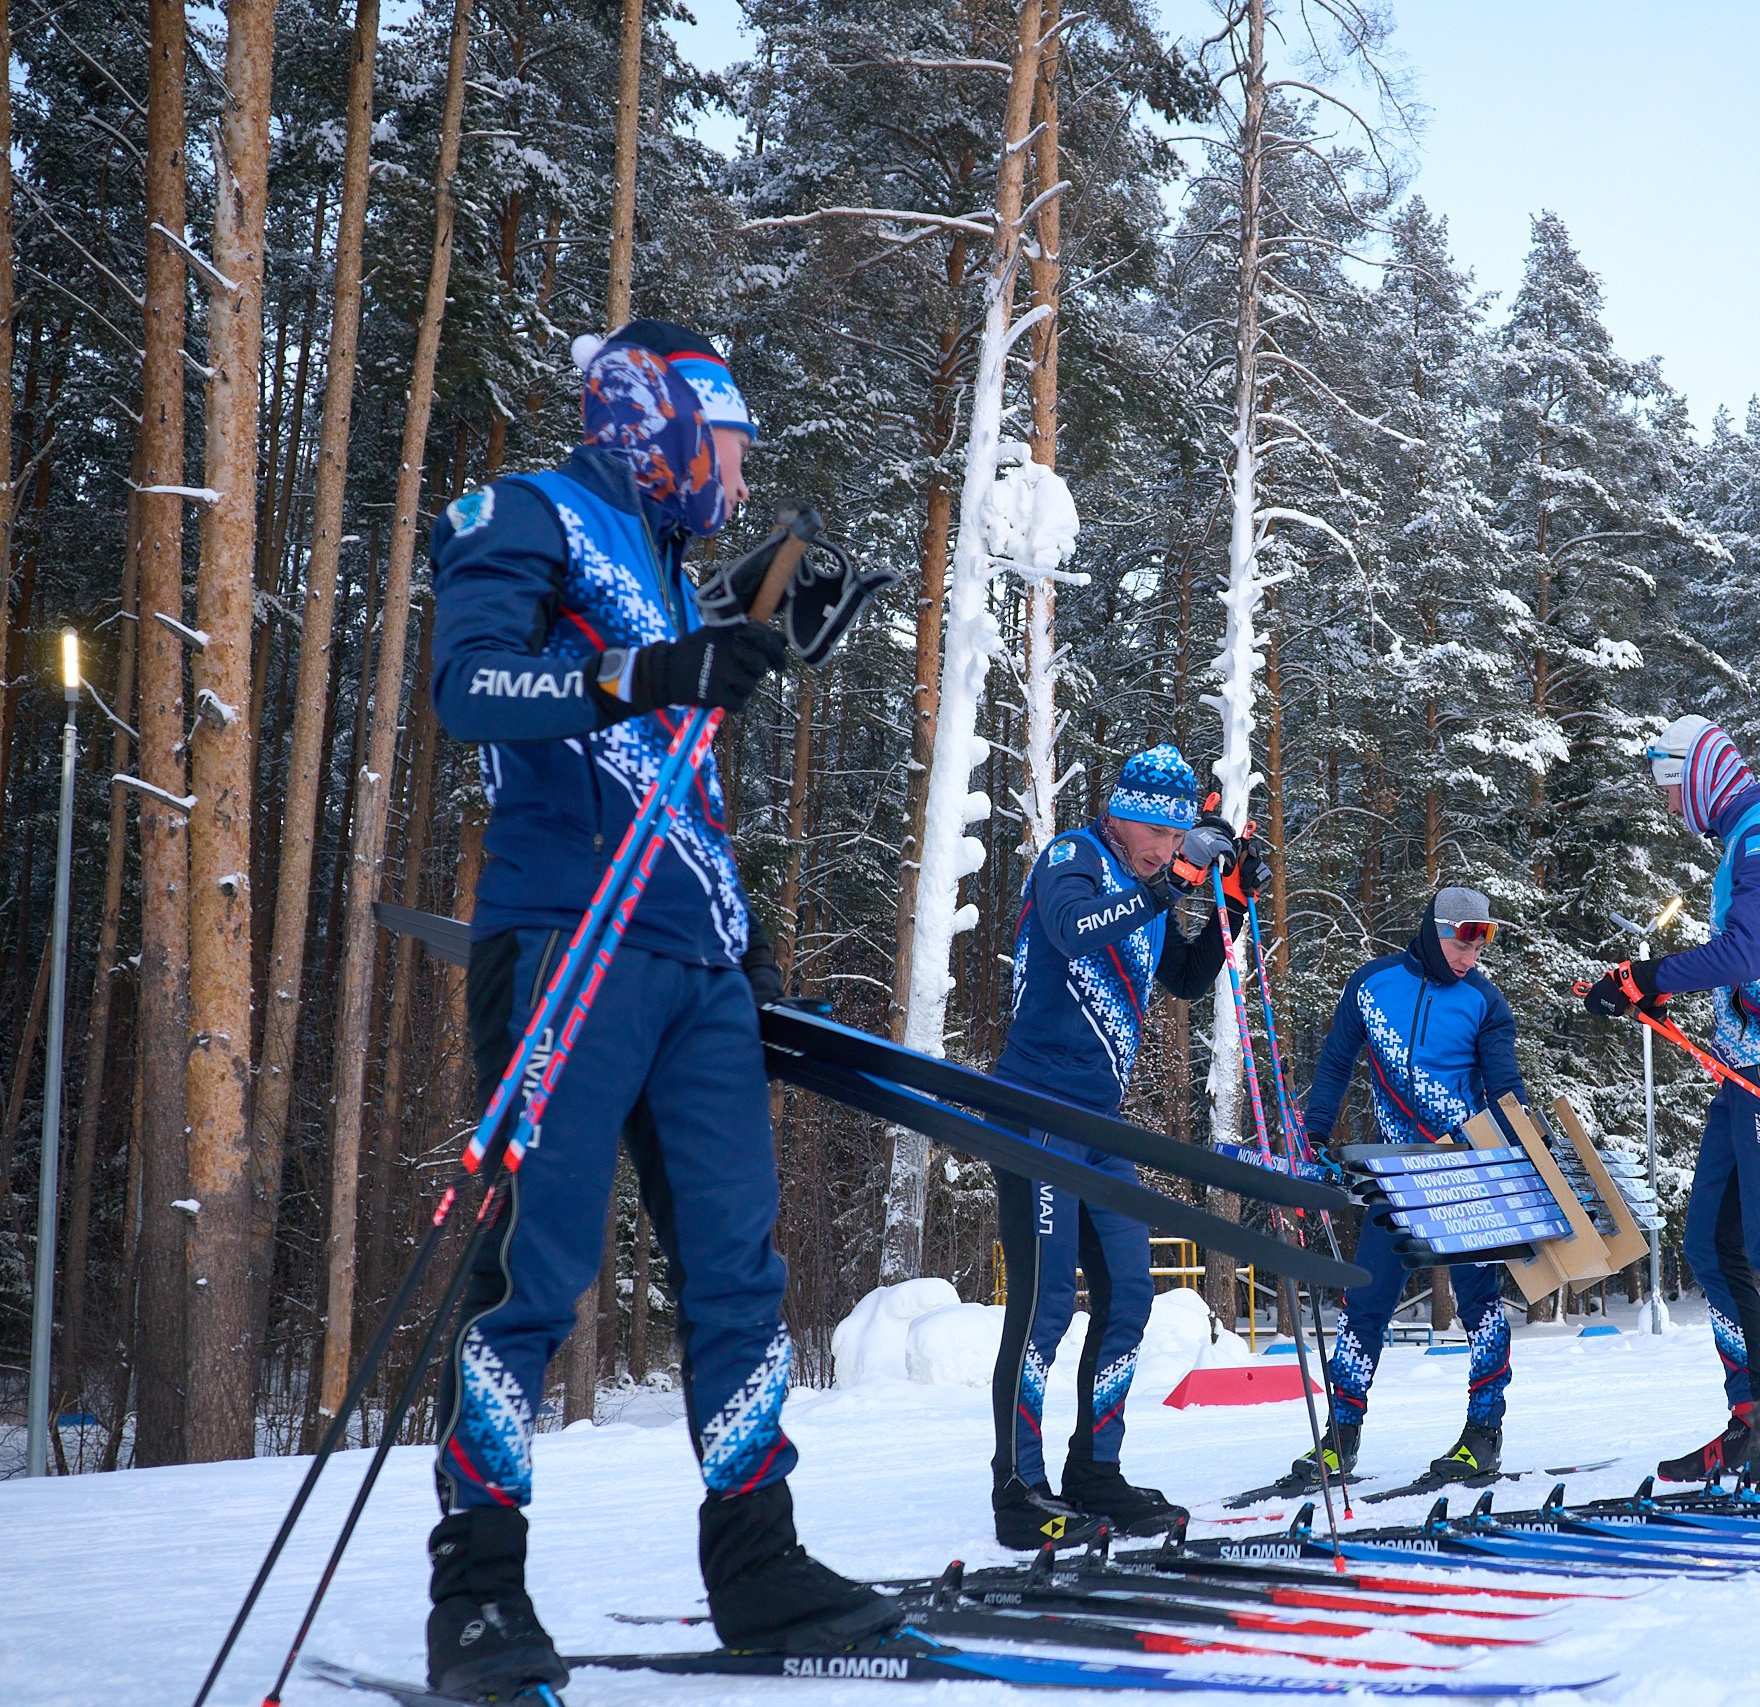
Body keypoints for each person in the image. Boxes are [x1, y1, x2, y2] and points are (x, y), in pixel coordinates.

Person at [422, 321, 899, 1700]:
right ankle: (479, 1593)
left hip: (693, 963)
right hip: (569, 934)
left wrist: (743, 937)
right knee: (535, 1274)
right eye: (730, 444)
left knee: (741, 1277)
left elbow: (684, 785)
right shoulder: (530, 511)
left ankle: (757, 1562)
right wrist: (645, 670)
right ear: (662, 420)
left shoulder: (676, 579)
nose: (739, 478)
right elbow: (470, 685)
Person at [985, 745, 1268, 1549]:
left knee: (1129, 1299)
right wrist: (1167, 886)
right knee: (1042, 1306)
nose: (1163, 846)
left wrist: (1230, 907)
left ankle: (1094, 1471)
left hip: (1099, 1126)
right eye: (1153, 830)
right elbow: (1073, 932)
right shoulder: (1073, 856)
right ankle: (1019, 1487)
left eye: (1177, 837)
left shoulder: (1150, 884)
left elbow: (1181, 974)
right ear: (1119, 813)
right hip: (1034, 1112)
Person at [1582, 715, 1760, 1496]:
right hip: (1745, 1070)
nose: (1672, 806)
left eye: (1672, 789)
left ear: (1702, 772)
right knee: (1709, 1241)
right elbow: (1745, 967)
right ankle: (1754, 1424)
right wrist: (1646, 992)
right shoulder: (1743, 837)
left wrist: (1651, 976)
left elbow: (1744, 952)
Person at [1271, 886, 1524, 1496]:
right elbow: (1334, 1064)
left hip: (1463, 1174)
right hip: (1395, 1174)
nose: (1472, 954)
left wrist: (1517, 1157)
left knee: (1479, 1303)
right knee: (1367, 1301)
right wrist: (1315, 1133)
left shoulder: (1484, 1002)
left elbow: (1505, 1091)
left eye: (1483, 939)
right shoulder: (1373, 985)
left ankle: (1483, 1434)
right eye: (1464, 939)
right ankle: (1342, 1434)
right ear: (1433, 930)